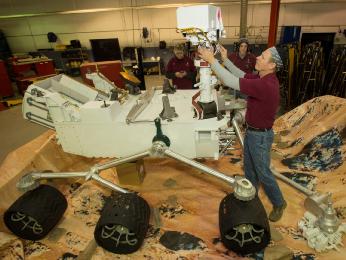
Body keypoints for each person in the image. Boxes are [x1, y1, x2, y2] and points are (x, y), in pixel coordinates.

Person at [198, 45, 287, 222]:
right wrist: (225, 60)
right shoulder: (262, 78)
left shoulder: (266, 85)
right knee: (249, 168)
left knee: (263, 172)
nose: (258, 58)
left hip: (260, 137)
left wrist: (211, 61)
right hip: (253, 133)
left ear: (271, 66)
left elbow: (231, 81)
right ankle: (251, 195)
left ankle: (279, 202)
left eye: (263, 57)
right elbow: (240, 75)